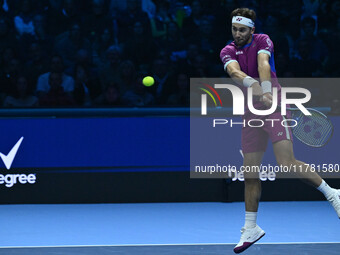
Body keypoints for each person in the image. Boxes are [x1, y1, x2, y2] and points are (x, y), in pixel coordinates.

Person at [219, 8, 340, 254]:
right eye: (234, 29)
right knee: (250, 172)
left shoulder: (263, 40)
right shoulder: (228, 50)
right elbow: (234, 72)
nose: (238, 34)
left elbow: (263, 63)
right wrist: (255, 87)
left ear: (252, 29)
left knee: (287, 162)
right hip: (251, 113)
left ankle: (333, 194)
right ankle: (250, 227)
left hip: (274, 107)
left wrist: (266, 89)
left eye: (242, 30)